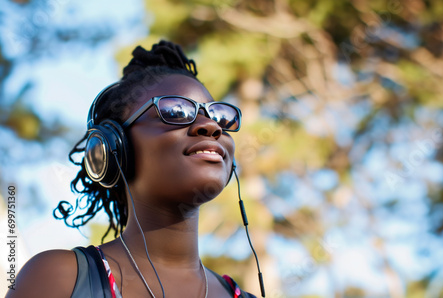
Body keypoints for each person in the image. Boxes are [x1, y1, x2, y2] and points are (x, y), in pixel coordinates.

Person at [7, 40, 258, 298]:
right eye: (176, 110)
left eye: (218, 116)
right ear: (112, 149)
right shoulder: (57, 278)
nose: (211, 126)